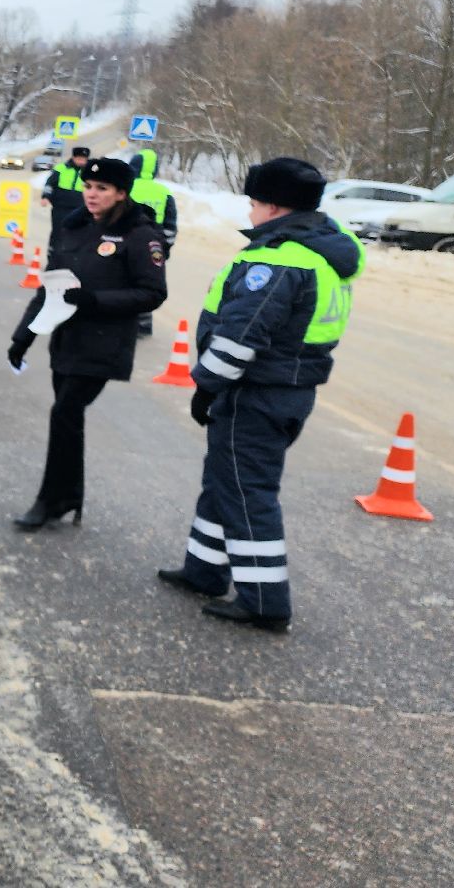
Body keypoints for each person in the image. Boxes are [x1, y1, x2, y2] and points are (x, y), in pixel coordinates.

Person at [158, 158, 363, 632]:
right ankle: (204, 571)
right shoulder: (322, 250)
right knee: (225, 480)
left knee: (247, 492)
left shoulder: (278, 260)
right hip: (286, 389)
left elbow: (240, 335)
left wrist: (206, 385)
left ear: (272, 205)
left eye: (253, 202)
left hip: (255, 394)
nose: (249, 212)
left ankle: (265, 601)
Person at [8, 156, 168, 529]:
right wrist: (23, 337)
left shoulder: (140, 234)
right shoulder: (74, 226)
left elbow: (151, 293)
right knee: (68, 418)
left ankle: (49, 501)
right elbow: (50, 287)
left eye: (102, 189)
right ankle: (69, 496)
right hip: (66, 340)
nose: (92, 194)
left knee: (64, 412)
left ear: (121, 193)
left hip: (104, 342)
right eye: (88, 187)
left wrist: (97, 301)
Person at [127, 148, 179, 337]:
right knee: (146, 286)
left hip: (127, 244)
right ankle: (143, 325)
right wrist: (164, 248)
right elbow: (170, 225)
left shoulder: (126, 187)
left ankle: (125, 322)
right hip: (153, 246)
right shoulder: (164, 192)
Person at [40, 145, 90, 252]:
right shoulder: (61, 168)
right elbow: (49, 184)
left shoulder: (89, 173)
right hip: (60, 208)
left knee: (77, 234)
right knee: (58, 232)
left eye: (84, 159)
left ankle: (71, 258)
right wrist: (45, 197)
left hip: (79, 209)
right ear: (73, 157)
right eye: (79, 158)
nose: (82, 161)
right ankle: (53, 255)